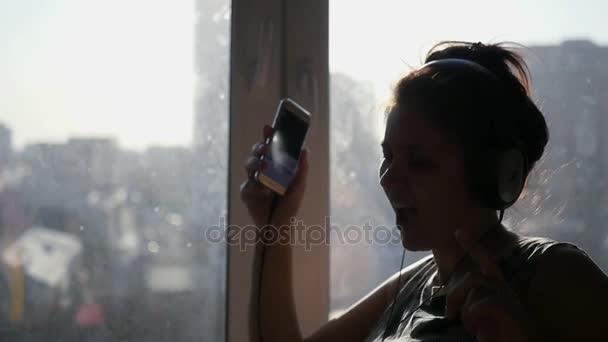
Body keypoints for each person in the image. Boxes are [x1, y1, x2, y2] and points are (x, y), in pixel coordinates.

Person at [240, 41, 608, 342]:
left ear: (490, 173)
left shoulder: (558, 275)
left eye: (418, 162)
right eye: (388, 156)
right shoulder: (411, 286)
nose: (387, 179)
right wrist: (275, 220)